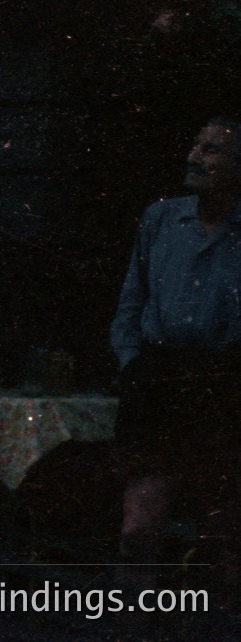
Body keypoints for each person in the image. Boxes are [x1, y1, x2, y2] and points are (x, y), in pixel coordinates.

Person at [111, 116, 241, 570]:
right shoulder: (162, 219)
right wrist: (132, 366)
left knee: (219, 534)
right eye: (195, 144)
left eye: (212, 150)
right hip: (158, 378)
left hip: (223, 384)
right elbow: (131, 303)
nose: (195, 157)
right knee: (139, 527)